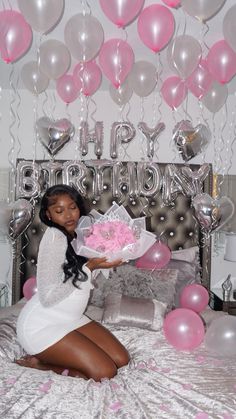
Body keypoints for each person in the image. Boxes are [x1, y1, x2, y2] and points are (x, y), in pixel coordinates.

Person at [16, 184, 130, 381]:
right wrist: (89, 268)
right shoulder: (54, 237)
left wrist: (108, 259)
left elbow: (78, 281)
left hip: (71, 318)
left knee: (121, 359)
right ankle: (41, 364)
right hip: (43, 325)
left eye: (73, 207)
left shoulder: (78, 235)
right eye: (59, 210)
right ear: (48, 215)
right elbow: (48, 298)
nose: (68, 215)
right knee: (105, 372)